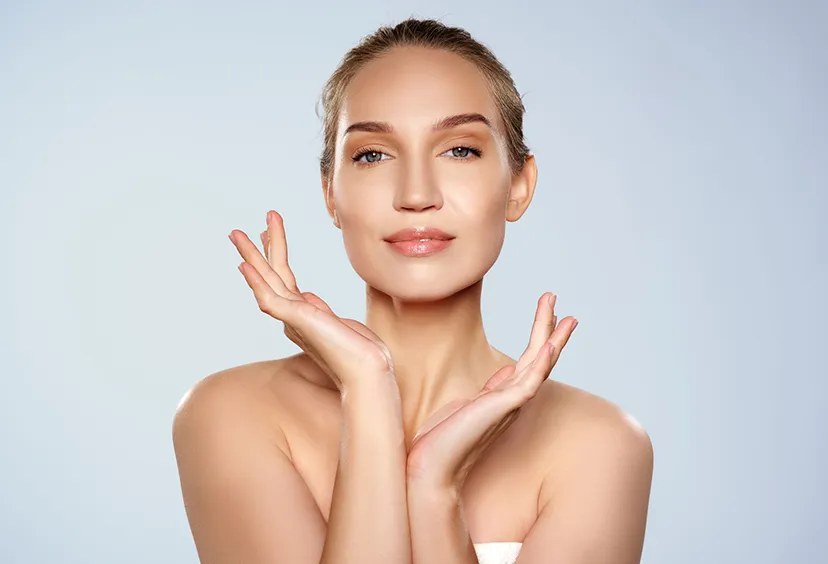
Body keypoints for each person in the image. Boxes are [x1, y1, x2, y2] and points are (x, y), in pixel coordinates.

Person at [173, 17, 653, 564]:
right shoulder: (232, 414)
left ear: (519, 186)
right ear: (331, 195)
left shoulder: (599, 445)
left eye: (460, 150)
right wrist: (367, 388)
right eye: (372, 155)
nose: (417, 194)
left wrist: (433, 488)